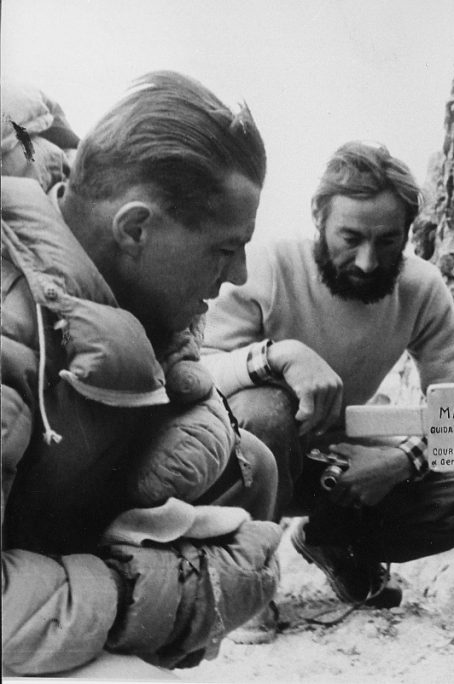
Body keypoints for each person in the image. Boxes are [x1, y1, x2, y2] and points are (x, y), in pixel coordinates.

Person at [1, 74, 282, 676]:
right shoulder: (10, 331)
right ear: (134, 228)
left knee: (249, 463)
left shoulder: (118, 304)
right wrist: (161, 596)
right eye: (222, 248)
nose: (238, 275)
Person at [202, 140, 454, 642]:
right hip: (250, 459)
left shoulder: (422, 288)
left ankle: (336, 543)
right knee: (262, 410)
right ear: (318, 217)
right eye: (350, 237)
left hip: (340, 466)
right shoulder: (267, 265)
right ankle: (244, 578)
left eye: (388, 241)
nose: (369, 261)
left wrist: (401, 462)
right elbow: (196, 372)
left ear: (409, 232)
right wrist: (277, 356)